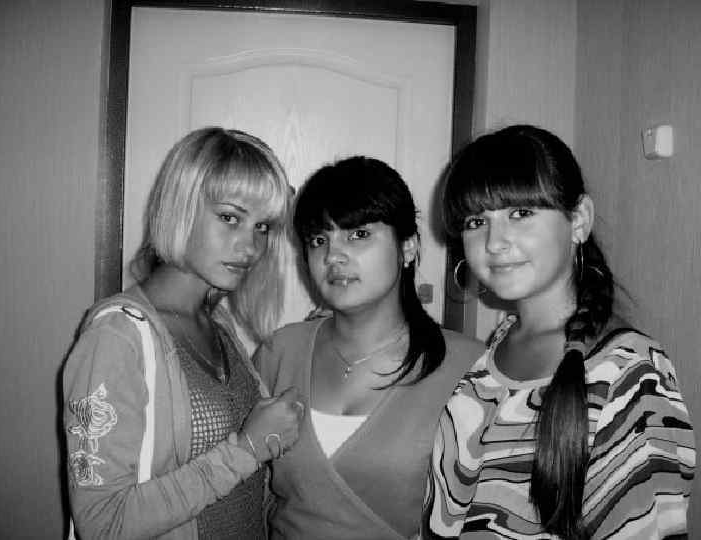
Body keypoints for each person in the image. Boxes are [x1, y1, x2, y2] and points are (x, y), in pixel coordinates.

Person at [422, 124, 695, 539]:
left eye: (520, 213)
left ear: (578, 220)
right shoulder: (501, 341)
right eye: (477, 221)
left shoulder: (630, 373)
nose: (494, 242)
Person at [63, 127, 304, 540]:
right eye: (230, 218)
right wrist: (246, 450)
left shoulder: (218, 324)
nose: (250, 247)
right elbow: (102, 523)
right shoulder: (117, 338)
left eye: (262, 227)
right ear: (181, 207)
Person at [254, 156, 484, 539]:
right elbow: (253, 494)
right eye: (319, 240)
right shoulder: (279, 352)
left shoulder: (470, 367)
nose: (333, 256)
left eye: (358, 234)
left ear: (407, 247)